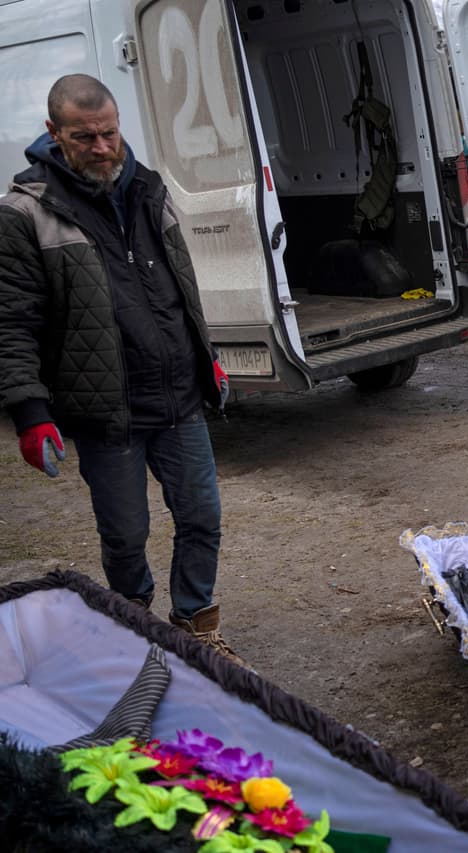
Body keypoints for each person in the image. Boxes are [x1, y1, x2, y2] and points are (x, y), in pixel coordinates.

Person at [0, 74, 244, 665]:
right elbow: (11, 322)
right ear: (55, 133)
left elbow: (179, 285)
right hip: (104, 408)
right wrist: (30, 413)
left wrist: (206, 357)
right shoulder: (24, 214)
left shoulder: (149, 188)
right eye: (86, 138)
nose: (104, 148)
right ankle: (137, 636)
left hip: (178, 394)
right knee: (126, 535)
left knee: (202, 516)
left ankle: (194, 627)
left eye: (110, 133)